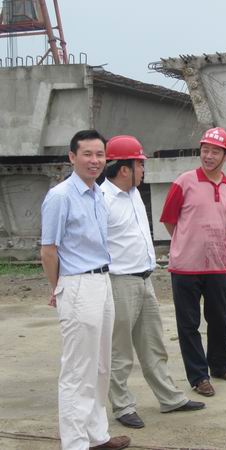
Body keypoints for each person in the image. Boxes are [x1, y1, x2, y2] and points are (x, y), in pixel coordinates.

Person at [101, 135, 205, 429]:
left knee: (153, 344)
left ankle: (170, 398)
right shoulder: (102, 200)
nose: (143, 170)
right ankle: (123, 406)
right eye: (140, 164)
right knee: (120, 350)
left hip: (144, 280)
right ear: (124, 169)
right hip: (119, 282)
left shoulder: (133, 193)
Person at [40, 130, 130, 450]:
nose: (95, 161)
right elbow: (48, 250)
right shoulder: (61, 196)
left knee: (101, 365)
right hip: (77, 283)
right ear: (72, 157)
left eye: (100, 154)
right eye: (87, 154)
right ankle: (75, 443)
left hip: (102, 280)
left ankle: (96, 435)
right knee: (78, 369)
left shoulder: (97, 194)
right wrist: (58, 287)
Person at [160, 127, 226, 397]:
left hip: (217, 265)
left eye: (215, 152)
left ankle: (221, 365)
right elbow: (169, 220)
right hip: (185, 266)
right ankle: (198, 376)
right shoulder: (183, 182)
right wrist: (187, 242)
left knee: (220, 319)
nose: (208, 156)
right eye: (205, 150)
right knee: (189, 324)